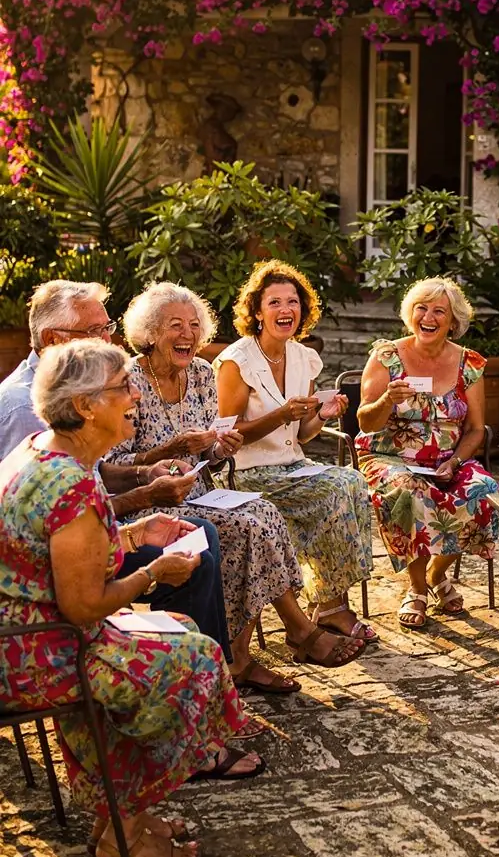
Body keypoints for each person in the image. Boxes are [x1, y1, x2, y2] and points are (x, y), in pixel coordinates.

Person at [0, 340, 263, 857]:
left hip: (30, 633)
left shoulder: (41, 449)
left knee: (183, 628)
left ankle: (121, 820)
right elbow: (84, 606)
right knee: (195, 661)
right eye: (123, 386)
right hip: (39, 654)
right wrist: (152, 572)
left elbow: (60, 555)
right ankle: (123, 828)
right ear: (85, 407)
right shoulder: (70, 482)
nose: (136, 393)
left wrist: (138, 533)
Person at [108, 281, 365, 676]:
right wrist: (164, 453)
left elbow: (208, 453)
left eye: (194, 326)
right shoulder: (128, 381)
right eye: (175, 325)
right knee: (248, 527)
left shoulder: (200, 373)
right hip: (150, 503)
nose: (188, 335)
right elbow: (112, 467)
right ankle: (286, 637)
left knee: (264, 513)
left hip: (200, 491)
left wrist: (218, 448)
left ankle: (257, 647)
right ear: (150, 333)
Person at [0, 279, 232, 658]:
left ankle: (222, 674)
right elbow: (74, 589)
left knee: (197, 541)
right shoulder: (25, 411)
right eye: (96, 332)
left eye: (107, 328)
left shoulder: (55, 439)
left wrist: (138, 527)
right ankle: (215, 680)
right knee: (194, 647)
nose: (111, 340)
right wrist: (151, 565)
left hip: (60, 590)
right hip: (46, 638)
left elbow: (70, 524)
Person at [214, 259, 376, 644]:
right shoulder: (238, 361)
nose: (285, 310)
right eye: (274, 302)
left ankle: (329, 604)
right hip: (246, 473)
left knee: (351, 481)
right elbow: (226, 434)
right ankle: (330, 607)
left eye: (293, 302)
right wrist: (280, 414)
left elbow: (301, 435)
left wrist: (323, 413)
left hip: (291, 467)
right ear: (256, 311)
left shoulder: (303, 357)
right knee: (334, 490)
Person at [356, 277, 499, 630]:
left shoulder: (470, 364)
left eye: (439, 311)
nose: (428, 316)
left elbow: (477, 429)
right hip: (389, 457)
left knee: (483, 492)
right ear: (411, 314)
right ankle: (417, 588)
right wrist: (387, 400)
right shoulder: (387, 357)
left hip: (446, 460)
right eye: (422, 308)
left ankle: (437, 574)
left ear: (453, 321)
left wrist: (455, 460)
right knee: (408, 493)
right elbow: (365, 420)